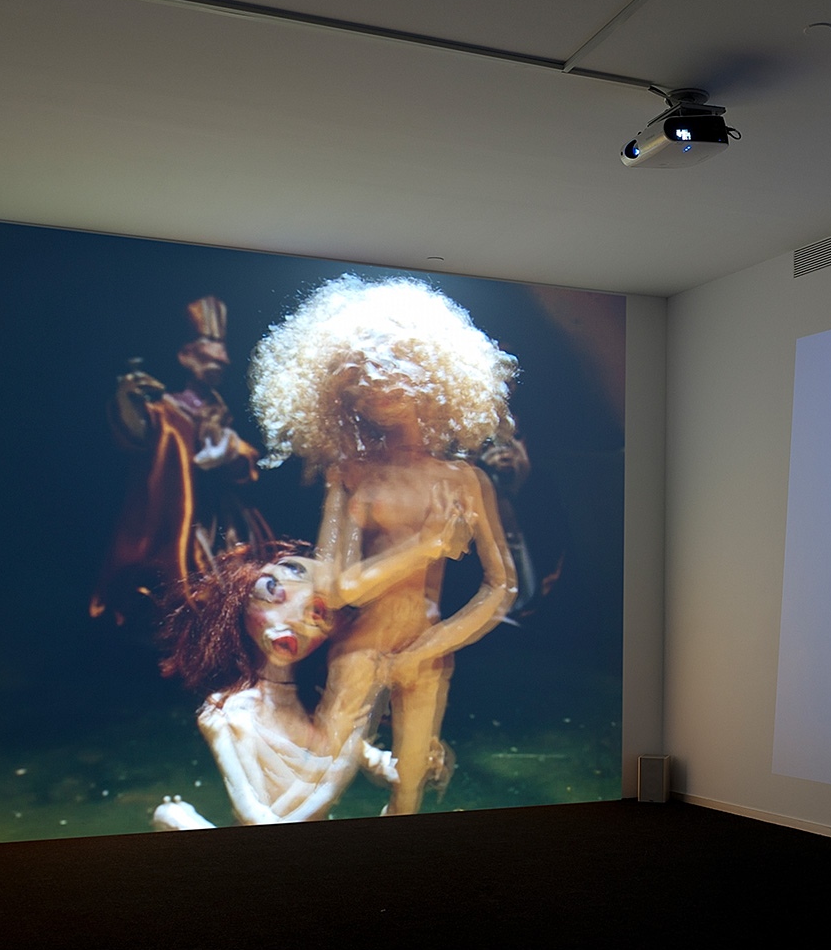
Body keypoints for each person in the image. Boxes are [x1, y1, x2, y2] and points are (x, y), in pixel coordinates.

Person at [249, 275, 518, 816]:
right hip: (360, 652)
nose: (380, 387)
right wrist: (425, 547)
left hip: (426, 652)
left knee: (409, 793)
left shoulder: (464, 481)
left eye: (396, 367)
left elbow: (501, 586)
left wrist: (427, 649)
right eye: (362, 379)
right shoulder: (350, 475)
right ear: (344, 393)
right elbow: (339, 588)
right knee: (316, 783)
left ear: (431, 372)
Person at [151, 529, 466, 830]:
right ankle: (177, 819)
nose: (294, 621)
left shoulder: (323, 708)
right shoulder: (228, 716)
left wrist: (414, 765)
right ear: (243, 595)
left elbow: (379, 764)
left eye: (317, 612)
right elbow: (253, 815)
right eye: (274, 591)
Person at [91, 295, 270, 632]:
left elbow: (247, 461)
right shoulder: (166, 412)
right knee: (179, 591)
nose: (222, 360)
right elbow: (136, 431)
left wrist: (230, 453)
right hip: (177, 523)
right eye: (212, 352)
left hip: (222, 521)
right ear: (186, 355)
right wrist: (126, 400)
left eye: (222, 355)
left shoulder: (219, 414)